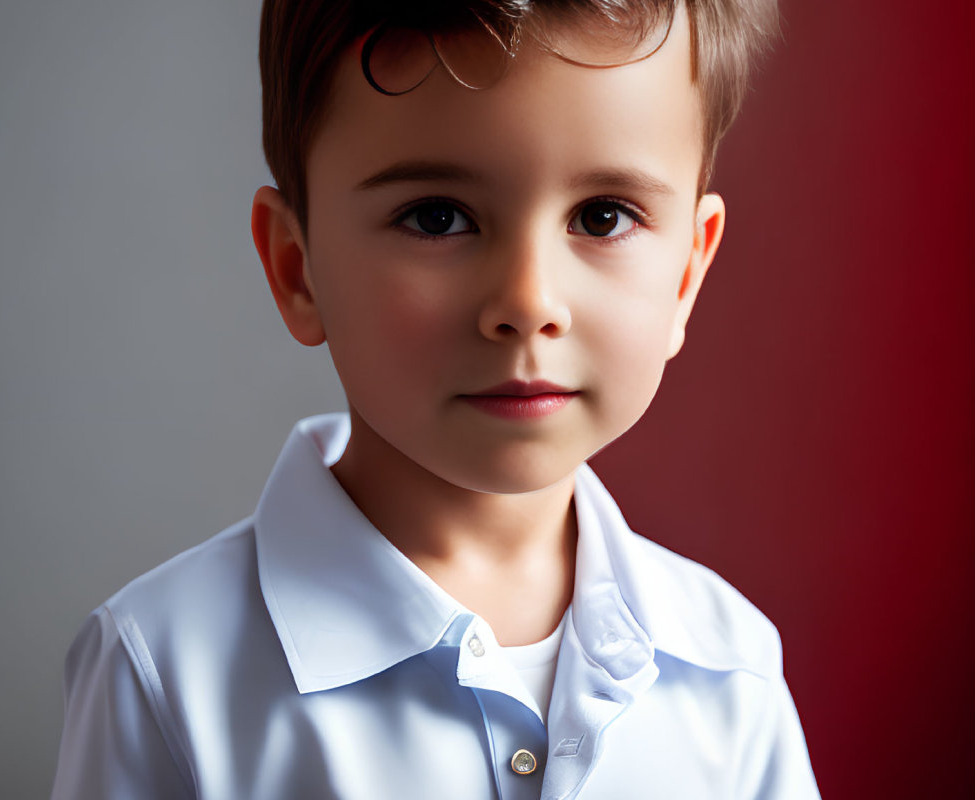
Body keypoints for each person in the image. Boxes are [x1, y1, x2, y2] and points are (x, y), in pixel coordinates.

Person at [50, 1, 821, 797]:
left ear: (686, 277)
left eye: (602, 217)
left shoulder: (732, 670)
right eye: (438, 217)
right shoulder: (162, 673)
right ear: (296, 268)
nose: (528, 301)